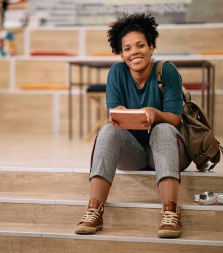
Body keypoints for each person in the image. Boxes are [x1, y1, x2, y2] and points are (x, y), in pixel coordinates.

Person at [74, 13, 191, 238]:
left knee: (164, 128)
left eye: (140, 45)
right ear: (121, 54)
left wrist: (155, 114)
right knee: (108, 130)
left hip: (169, 150)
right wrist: (122, 115)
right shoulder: (116, 73)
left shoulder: (167, 71)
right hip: (135, 154)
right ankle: (94, 210)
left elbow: (175, 120)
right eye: (127, 48)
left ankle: (171, 212)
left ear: (151, 46)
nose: (134, 52)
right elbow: (114, 116)